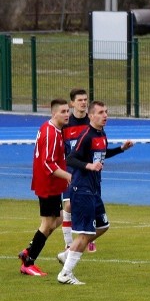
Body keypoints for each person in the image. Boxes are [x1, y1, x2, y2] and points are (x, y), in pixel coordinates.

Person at [56, 101, 134, 285]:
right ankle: (65, 273)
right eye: (100, 112)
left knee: (103, 225)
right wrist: (88, 166)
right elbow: (71, 158)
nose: (105, 115)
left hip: (94, 190)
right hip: (82, 190)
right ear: (91, 116)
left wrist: (121, 149)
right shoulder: (86, 135)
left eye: (106, 112)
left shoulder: (102, 134)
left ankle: (67, 254)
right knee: (84, 234)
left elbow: (102, 153)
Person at [17, 99, 73, 277]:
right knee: (48, 224)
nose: (67, 114)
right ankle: (29, 262)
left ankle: (28, 251)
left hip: (53, 184)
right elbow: (48, 164)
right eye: (63, 111)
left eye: (67, 111)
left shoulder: (54, 130)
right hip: (47, 184)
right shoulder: (51, 133)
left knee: (56, 220)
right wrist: (68, 176)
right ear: (54, 113)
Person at [60, 88, 96, 253]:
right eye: (80, 100)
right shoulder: (66, 124)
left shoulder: (92, 121)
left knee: (89, 204)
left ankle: (87, 238)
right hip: (69, 169)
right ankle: (68, 243)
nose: (83, 103)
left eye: (85, 100)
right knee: (68, 206)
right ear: (72, 103)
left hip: (88, 171)